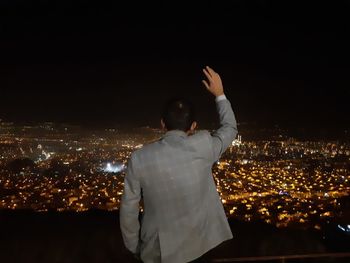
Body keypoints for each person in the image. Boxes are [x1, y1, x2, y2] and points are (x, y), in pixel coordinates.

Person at [120, 66, 238, 263]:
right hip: (200, 247)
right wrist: (220, 94)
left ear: (162, 124)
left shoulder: (139, 158)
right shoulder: (204, 145)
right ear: (193, 126)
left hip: (157, 252)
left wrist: (134, 247)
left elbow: (128, 208)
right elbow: (230, 128)